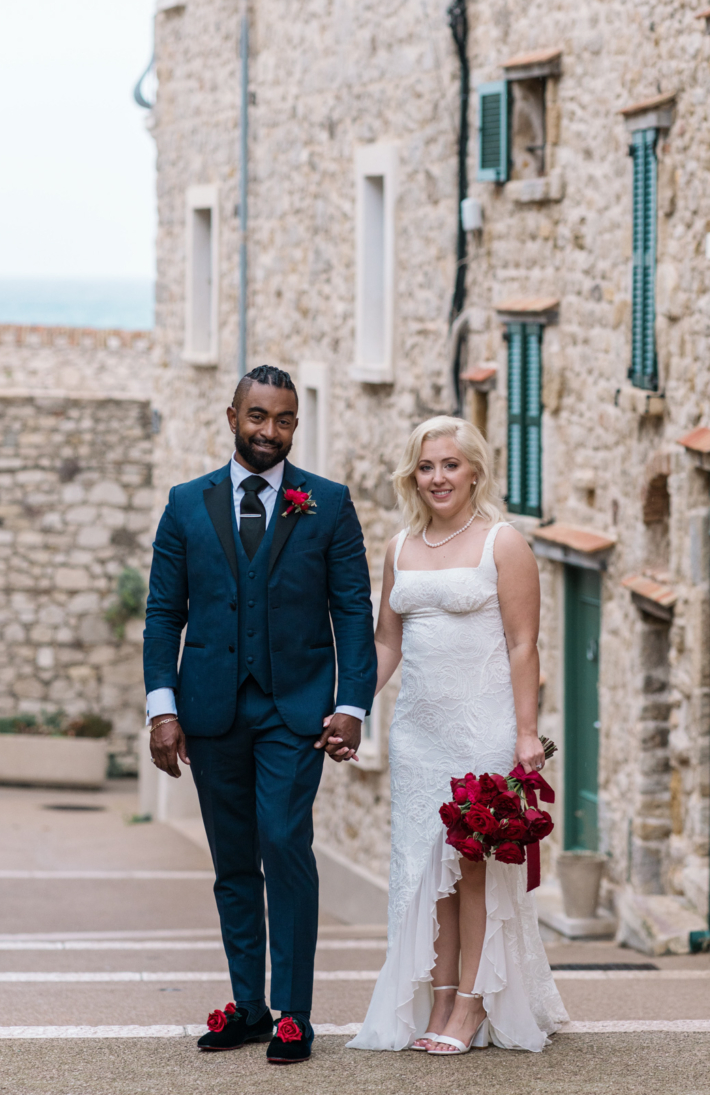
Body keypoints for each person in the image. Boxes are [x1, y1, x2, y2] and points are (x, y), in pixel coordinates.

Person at [145, 365, 377, 1066]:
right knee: (232, 861)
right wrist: (162, 707)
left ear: (294, 425)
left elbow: (351, 612)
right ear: (231, 416)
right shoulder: (187, 504)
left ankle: (294, 1013)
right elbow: (163, 614)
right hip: (210, 708)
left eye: (281, 420)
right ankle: (247, 1005)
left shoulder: (327, 504)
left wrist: (351, 703)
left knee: (283, 840)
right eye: (256, 416)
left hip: (294, 708)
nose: (267, 431)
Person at [346, 416, 568, 1054]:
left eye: (449, 465)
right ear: (412, 475)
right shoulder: (399, 547)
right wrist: (352, 707)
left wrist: (527, 734)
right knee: (425, 870)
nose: (437, 477)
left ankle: (471, 1006)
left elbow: (524, 644)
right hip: (418, 734)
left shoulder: (504, 543)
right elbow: (387, 641)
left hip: (483, 730)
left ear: (474, 470)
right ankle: (437, 1000)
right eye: (426, 466)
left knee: (472, 866)